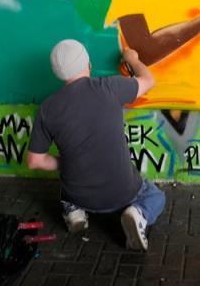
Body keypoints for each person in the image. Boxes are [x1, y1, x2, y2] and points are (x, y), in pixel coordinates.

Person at [26, 39, 164, 251]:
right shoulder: (110, 86)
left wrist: (66, 163)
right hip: (123, 193)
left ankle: (74, 210)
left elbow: (35, 161)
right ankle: (138, 214)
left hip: (79, 194)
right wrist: (133, 59)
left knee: (66, 186)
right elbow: (149, 80)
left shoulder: (48, 108)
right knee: (156, 195)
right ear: (88, 64)